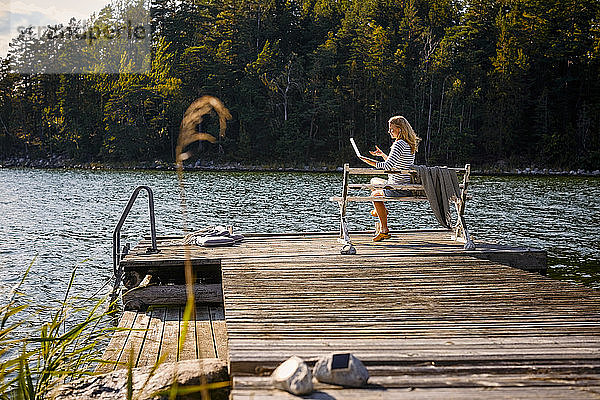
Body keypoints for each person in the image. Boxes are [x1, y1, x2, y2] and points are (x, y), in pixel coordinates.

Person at [359, 116, 421, 241]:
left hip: (398, 187)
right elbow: (396, 164)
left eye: (392, 129)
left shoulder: (399, 144)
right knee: (374, 181)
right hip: (403, 184)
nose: (389, 132)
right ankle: (381, 210)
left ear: (400, 129)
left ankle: (384, 230)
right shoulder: (410, 144)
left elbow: (388, 166)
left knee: (375, 195)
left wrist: (369, 161)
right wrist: (383, 155)